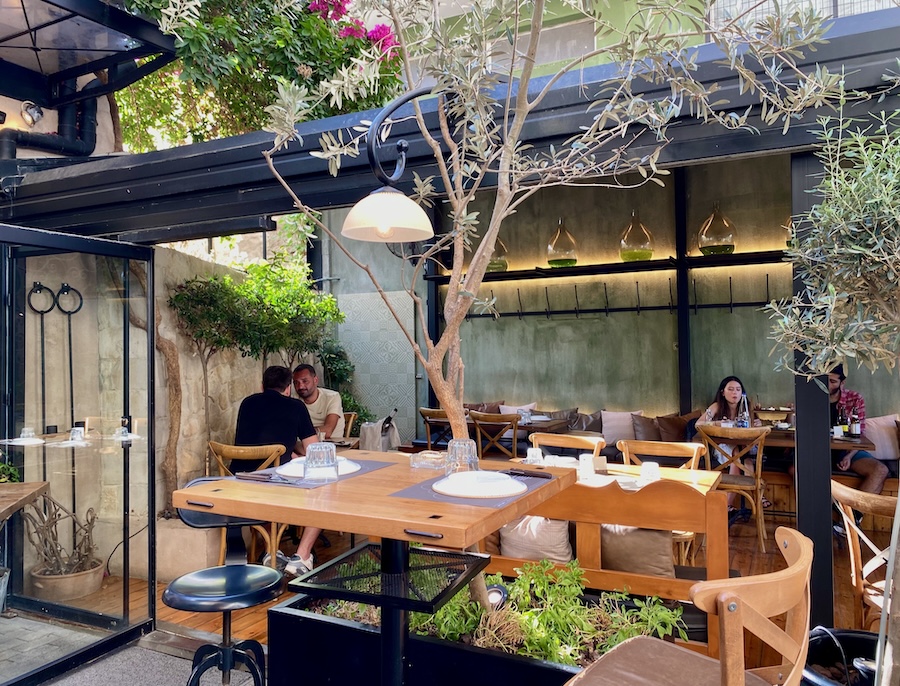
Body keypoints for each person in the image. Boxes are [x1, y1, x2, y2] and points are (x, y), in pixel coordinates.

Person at [233, 365, 322, 575]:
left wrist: (289, 451)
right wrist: (295, 454)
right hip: (274, 489)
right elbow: (315, 451)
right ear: (288, 388)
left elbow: (258, 441)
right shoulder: (296, 407)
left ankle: (271, 552)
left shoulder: (247, 403)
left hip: (239, 483)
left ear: (262, 386)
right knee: (323, 492)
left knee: (266, 479)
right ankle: (302, 556)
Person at [695, 375, 766, 511]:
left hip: (745, 446)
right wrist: (716, 423)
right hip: (721, 447)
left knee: (745, 458)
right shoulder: (716, 406)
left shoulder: (746, 406)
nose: (735, 393)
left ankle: (730, 504)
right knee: (737, 455)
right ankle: (754, 496)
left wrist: (758, 423)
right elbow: (698, 424)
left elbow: (753, 427)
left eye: (738, 390)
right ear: (723, 392)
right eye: (731, 389)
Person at [828, 364, 888, 495]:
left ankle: (852, 514)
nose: (827, 385)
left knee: (880, 470)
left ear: (842, 383)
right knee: (796, 469)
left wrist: (849, 456)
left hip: (847, 449)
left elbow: (859, 433)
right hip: (820, 449)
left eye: (832, 381)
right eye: (825, 380)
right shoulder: (812, 398)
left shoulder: (854, 399)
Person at [292, 363, 345, 439]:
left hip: (331, 446)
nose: (300, 386)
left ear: (315, 380)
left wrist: (300, 433)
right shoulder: (293, 400)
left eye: (305, 381)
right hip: (303, 446)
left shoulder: (332, 397)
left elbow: (327, 431)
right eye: (296, 383)